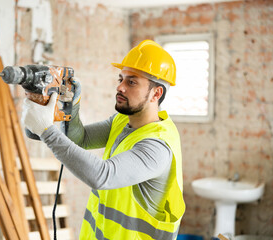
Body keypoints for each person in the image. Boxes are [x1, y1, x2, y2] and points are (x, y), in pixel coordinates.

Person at [21, 40, 185, 240]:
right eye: (120, 79)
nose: (120, 87)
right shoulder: (122, 120)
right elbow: (81, 139)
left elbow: (103, 175)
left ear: (156, 93)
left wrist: (46, 131)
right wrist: (72, 105)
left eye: (131, 82)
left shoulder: (157, 147)